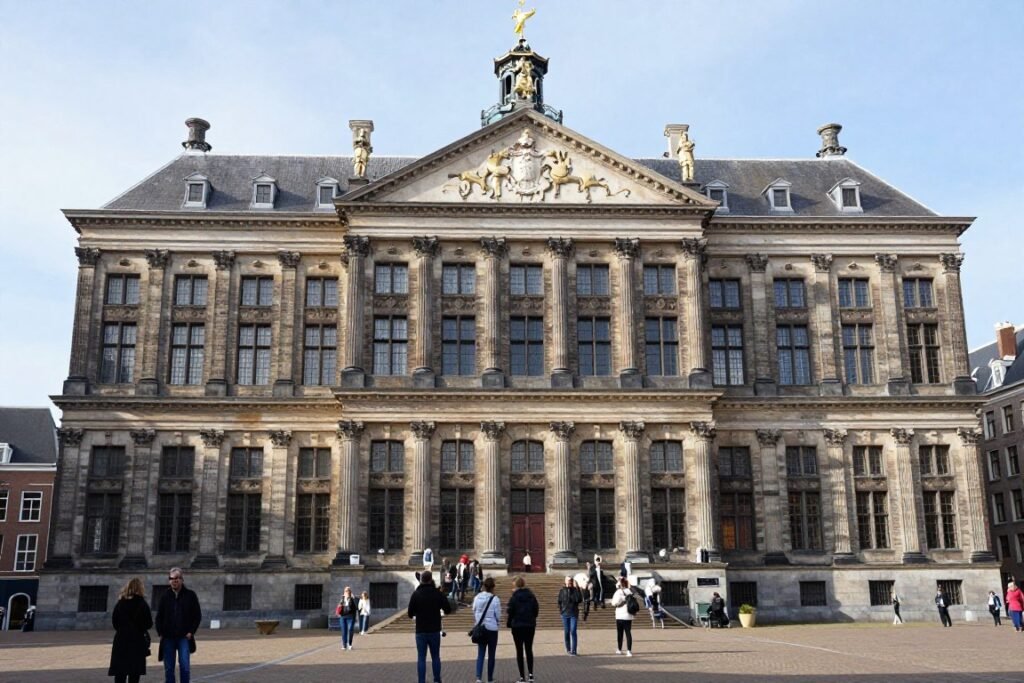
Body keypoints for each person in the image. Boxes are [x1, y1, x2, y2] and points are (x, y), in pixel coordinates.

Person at [155, 567, 201, 683]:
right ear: (169, 580)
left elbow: (197, 616)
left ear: (182, 580)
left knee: (184, 667)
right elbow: (159, 616)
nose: (174, 581)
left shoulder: (190, 595)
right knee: (169, 668)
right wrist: (160, 632)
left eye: (177, 578)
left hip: (184, 637)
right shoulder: (165, 596)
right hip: (168, 637)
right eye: (172, 578)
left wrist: (191, 631)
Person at [407, 570, 453, 683]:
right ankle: (437, 680)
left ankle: (421, 681)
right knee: (435, 657)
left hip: (421, 630)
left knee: (421, 658)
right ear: (431, 579)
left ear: (421, 580)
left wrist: (417, 613)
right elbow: (448, 609)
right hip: (434, 629)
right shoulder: (437, 593)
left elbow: (410, 613)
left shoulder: (416, 594)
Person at [108, 577, 153, 683]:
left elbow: (115, 622)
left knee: (120, 673)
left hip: (121, 639)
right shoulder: (142, 604)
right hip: (137, 640)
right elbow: (148, 624)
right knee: (134, 673)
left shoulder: (120, 603)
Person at [506, 576, 539, 683]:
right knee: (529, 650)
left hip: (517, 626)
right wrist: (531, 618)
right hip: (529, 625)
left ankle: (522, 677)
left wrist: (509, 623)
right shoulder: (531, 596)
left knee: (519, 651)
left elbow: (510, 611)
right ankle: (531, 675)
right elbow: (536, 610)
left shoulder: (514, 597)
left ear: (515, 585)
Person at [472, 577, 501, 683]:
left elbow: (474, 610)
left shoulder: (477, 597)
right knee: (491, 655)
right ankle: (490, 679)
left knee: (480, 654)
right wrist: (496, 623)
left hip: (481, 628)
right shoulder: (495, 599)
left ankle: (478, 678)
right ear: (493, 587)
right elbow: (498, 615)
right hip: (492, 628)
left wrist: (478, 621)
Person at [557, 575, 582, 656]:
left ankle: (574, 650)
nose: (568, 582)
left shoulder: (575, 590)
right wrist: (561, 610)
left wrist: (577, 588)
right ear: (565, 581)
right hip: (565, 614)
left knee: (573, 631)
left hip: (573, 614)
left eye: (570, 581)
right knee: (567, 632)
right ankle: (568, 649)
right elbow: (559, 601)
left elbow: (579, 600)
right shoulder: (562, 591)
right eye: (567, 581)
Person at [610, 577, 635, 656]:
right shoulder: (629, 591)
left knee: (620, 633)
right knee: (628, 633)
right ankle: (629, 651)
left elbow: (614, 603)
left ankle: (619, 649)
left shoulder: (618, 592)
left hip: (620, 615)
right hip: (628, 615)